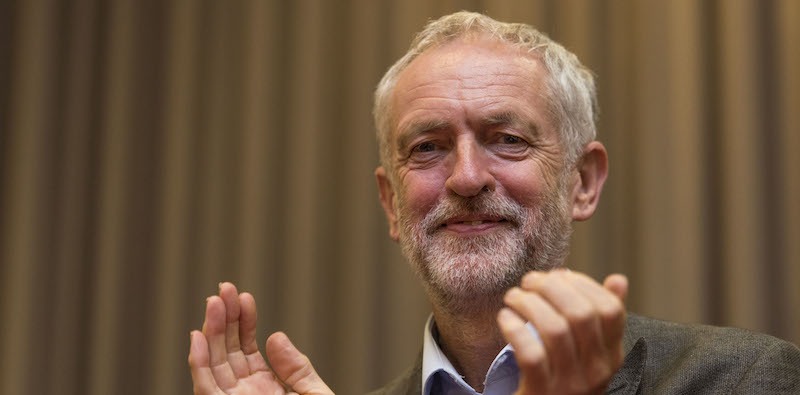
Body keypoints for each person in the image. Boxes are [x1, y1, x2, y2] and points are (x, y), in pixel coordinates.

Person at [187, 11, 800, 395]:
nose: (466, 177)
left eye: (507, 140)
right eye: (427, 147)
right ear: (392, 204)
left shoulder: (746, 379)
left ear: (582, 181)